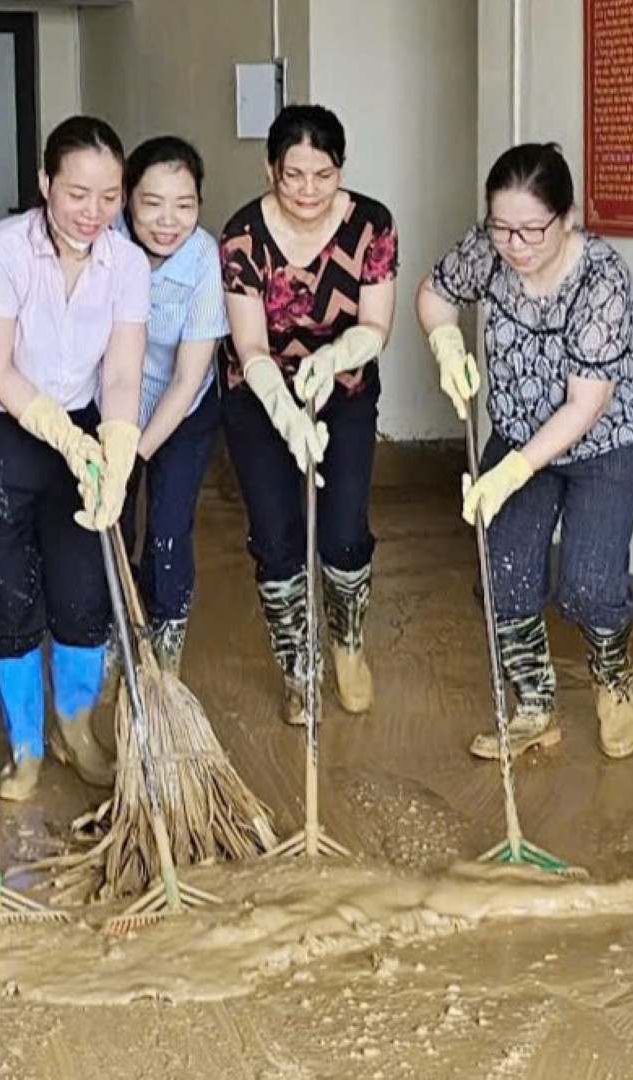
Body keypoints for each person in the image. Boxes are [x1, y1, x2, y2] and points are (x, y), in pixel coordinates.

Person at [416, 142, 633, 761]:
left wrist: (510, 473)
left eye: (531, 230)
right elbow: (436, 292)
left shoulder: (602, 278)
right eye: (501, 228)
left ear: (568, 217)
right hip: (520, 430)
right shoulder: (487, 250)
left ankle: (613, 682)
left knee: (588, 581)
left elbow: (586, 405)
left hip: (607, 442)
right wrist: (446, 342)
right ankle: (532, 708)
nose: (514, 245)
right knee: (504, 572)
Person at [0, 115, 149, 801]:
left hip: (87, 431)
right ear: (44, 185)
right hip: (7, 432)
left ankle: (77, 729)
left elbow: (123, 372)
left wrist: (115, 449)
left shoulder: (126, 263)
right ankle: (27, 746)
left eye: (109, 196)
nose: (94, 212)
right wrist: (61, 436)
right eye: (77, 194)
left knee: (83, 590)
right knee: (7, 592)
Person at [218, 104, 396, 725]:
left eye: (322, 175)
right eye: (294, 175)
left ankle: (347, 646)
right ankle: (299, 669)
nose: (308, 191)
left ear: (339, 170)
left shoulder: (371, 223)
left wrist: (338, 356)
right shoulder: (242, 236)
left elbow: (376, 324)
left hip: (342, 393)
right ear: (271, 169)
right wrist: (284, 410)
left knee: (344, 531)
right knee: (276, 536)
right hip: (259, 399)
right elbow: (249, 345)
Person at [109, 135, 227, 674]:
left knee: (168, 527)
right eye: (152, 203)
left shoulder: (205, 258)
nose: (167, 221)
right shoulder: (106, 242)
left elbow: (187, 378)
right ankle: (110, 627)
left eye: (184, 205)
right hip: (112, 402)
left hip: (183, 408)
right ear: (127, 199)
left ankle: (164, 648)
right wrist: (118, 448)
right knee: (108, 519)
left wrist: (138, 452)